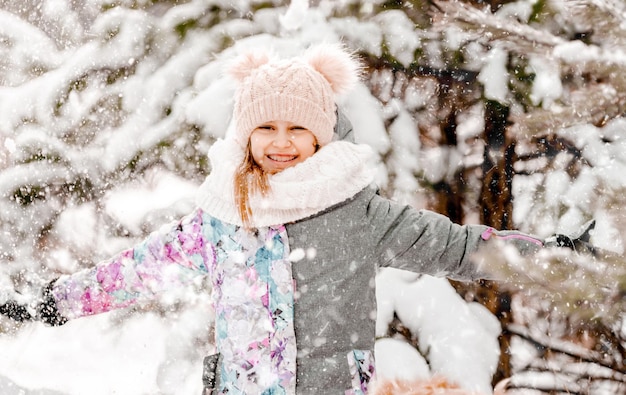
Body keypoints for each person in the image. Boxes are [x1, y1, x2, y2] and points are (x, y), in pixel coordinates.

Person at [0, 44, 581, 394]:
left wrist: (544, 256)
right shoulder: (222, 214)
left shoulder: (358, 214)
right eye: (267, 128)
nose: (282, 142)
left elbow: (455, 247)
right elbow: (136, 270)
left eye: (297, 128)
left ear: (322, 134)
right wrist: (52, 303)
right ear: (245, 134)